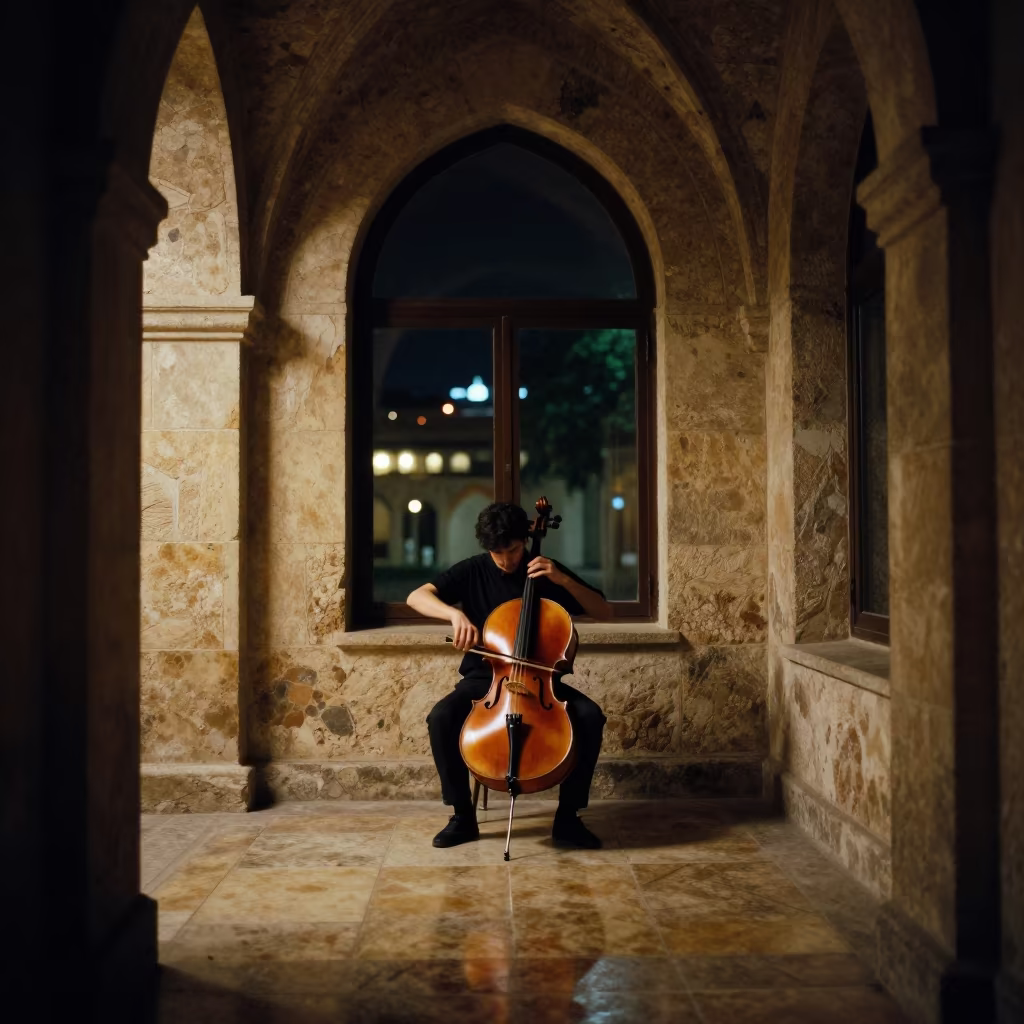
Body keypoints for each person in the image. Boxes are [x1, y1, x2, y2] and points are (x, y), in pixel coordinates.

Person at [407, 501, 612, 850]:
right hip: (484, 681)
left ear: (526, 539)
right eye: (496, 552)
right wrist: (453, 616)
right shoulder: (472, 571)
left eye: (513, 549)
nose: (505, 559)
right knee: (440, 717)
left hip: (541, 684)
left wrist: (562, 580)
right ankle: (461, 816)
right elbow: (417, 596)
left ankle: (568, 818)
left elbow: (604, 611)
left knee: (591, 717)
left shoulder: (543, 571)